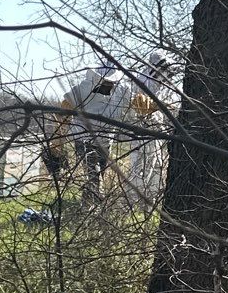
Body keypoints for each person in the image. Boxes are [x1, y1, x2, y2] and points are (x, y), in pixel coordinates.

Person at [60, 60, 133, 193]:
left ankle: (88, 204)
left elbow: (133, 104)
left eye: (110, 83)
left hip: (105, 140)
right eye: (105, 82)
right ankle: (93, 207)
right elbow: (65, 107)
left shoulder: (122, 91)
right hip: (84, 138)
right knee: (94, 177)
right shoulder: (83, 89)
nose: (108, 86)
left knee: (99, 175)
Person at [125, 49, 180, 204]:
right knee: (141, 168)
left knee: (156, 167)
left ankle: (150, 201)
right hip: (142, 132)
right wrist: (161, 106)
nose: (167, 76)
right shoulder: (142, 82)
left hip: (155, 131)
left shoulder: (157, 84)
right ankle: (132, 202)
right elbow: (141, 107)